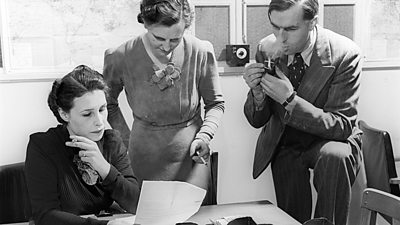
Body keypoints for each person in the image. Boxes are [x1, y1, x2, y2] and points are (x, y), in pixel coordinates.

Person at [243, 0, 362, 224]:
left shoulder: (345, 54)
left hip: (329, 139)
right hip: (288, 139)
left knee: (335, 157)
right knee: (291, 217)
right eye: (275, 26)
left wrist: (289, 100)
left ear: (312, 23)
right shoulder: (265, 48)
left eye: (290, 29)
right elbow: (257, 120)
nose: (280, 37)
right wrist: (258, 97)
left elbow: (342, 126)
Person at [102, 0, 224, 197]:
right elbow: (108, 103)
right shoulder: (120, 56)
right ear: (145, 24)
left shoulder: (201, 51)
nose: (167, 46)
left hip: (191, 155)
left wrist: (204, 136)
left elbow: (215, 104)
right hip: (143, 158)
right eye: (158, 37)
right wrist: (125, 139)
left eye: (175, 39)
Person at [25, 65, 140, 225]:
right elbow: (45, 215)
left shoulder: (111, 141)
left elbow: (136, 204)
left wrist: (104, 168)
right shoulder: (42, 146)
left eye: (102, 109)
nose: (100, 122)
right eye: (87, 114)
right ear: (64, 114)